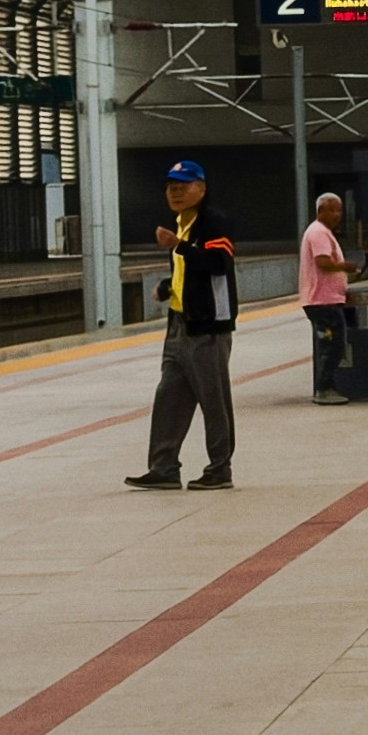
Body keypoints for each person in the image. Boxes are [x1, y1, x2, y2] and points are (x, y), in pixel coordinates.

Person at [128, 159, 242, 489]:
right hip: (178, 325)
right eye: (171, 186)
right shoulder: (182, 224)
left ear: (201, 189)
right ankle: (163, 467)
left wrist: (178, 246)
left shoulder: (214, 222)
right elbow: (189, 270)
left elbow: (218, 264)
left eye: (183, 185)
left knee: (213, 399)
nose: (175, 191)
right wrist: (168, 286)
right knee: (169, 397)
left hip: (208, 327)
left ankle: (220, 469)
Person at [301, 189, 356, 400]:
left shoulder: (323, 232)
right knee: (332, 345)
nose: (337, 215)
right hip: (321, 301)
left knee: (332, 344)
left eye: (339, 210)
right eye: (332, 210)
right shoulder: (318, 232)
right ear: (320, 210)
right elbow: (323, 263)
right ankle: (324, 389)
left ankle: (326, 387)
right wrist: (346, 267)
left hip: (328, 299)